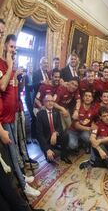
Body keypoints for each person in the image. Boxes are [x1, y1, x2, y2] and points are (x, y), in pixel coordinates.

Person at [0, 34, 40, 197]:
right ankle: (23, 186)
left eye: (15, 48)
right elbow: (2, 86)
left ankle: (21, 176)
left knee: (15, 146)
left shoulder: (11, 66)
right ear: (4, 47)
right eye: (11, 47)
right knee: (12, 150)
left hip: (14, 112)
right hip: (3, 116)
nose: (14, 50)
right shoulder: (3, 65)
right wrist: (11, 68)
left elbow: (17, 88)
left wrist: (20, 77)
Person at [36, 94, 72, 164]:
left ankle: (64, 156)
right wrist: (47, 149)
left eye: (52, 101)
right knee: (50, 160)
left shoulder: (56, 112)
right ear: (44, 102)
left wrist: (55, 133)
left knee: (65, 135)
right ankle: (51, 149)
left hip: (55, 136)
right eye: (48, 101)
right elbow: (39, 134)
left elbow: (60, 127)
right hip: (46, 139)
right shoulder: (40, 115)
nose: (50, 103)